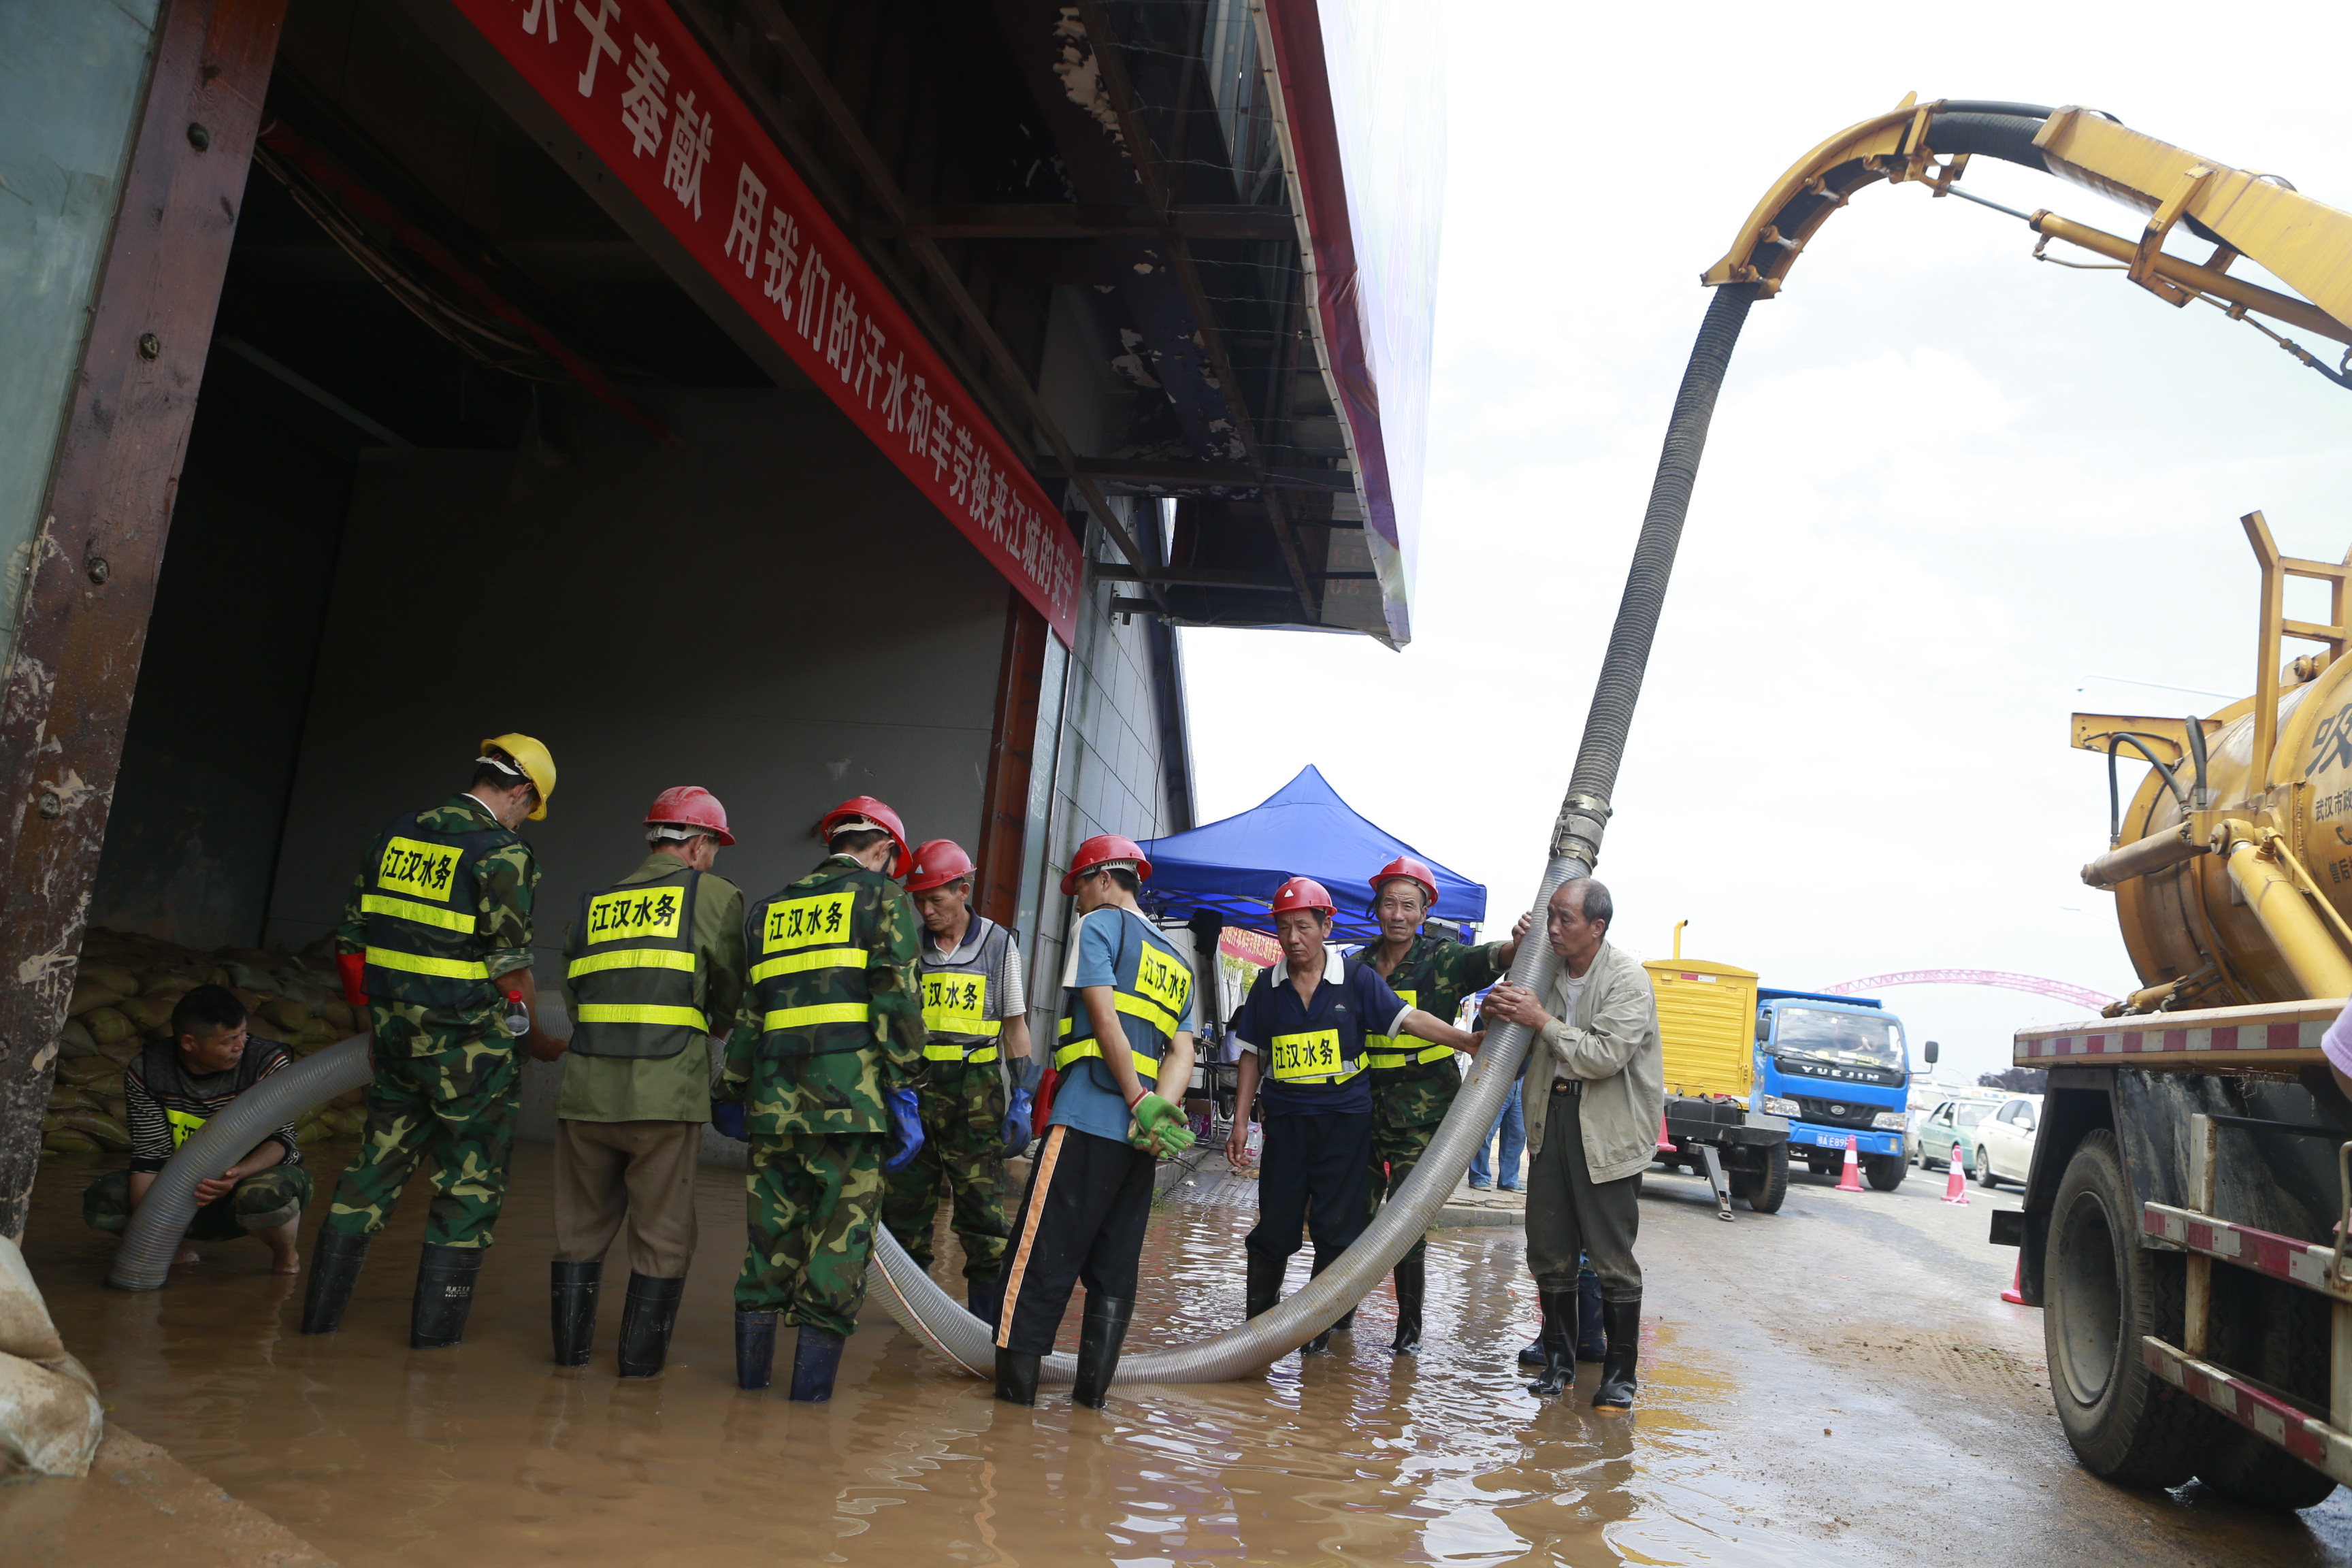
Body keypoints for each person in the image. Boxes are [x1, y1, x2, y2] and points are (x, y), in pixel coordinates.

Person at [303, 734, 567, 1348]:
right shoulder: (504, 854)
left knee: (372, 1170)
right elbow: (510, 973)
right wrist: (532, 1039)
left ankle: (315, 1328)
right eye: (530, 808)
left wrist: (380, 1022)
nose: (526, 820)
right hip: (472, 1054)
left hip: (395, 1043)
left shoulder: (395, 835)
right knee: (469, 1183)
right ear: (520, 792)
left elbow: (351, 946)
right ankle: (432, 1349)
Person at [722, 796, 927, 1402]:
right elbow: (898, 1002)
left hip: (772, 1107)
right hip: (850, 1111)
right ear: (885, 850)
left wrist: (731, 1089)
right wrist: (906, 1091)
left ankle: (748, 1398)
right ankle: (805, 1415)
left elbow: (749, 1013)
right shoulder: (884, 900)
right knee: (837, 1255)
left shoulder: (769, 911)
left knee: (766, 1252)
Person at [1224, 877, 1482, 1354]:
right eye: (1284, 929)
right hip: (1286, 1127)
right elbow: (1251, 1057)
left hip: (1344, 1126)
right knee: (1275, 1229)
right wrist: (1241, 1123)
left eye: (1303, 926)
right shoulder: (1267, 986)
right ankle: (1254, 1336)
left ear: (1326, 926)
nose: (1293, 939)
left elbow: (1408, 1019)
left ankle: (1317, 1333)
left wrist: (1465, 1041)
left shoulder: (1358, 980)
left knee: (1335, 1229)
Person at [550, 786, 747, 1377]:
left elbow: (574, 996)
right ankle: (636, 1384)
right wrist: (714, 1025)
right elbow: (730, 991)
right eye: (714, 848)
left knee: (578, 1234)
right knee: (662, 1238)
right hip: (665, 1096)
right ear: (699, 845)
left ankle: (566, 1366)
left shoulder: (595, 903)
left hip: (585, 1091)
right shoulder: (712, 896)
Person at [994, 834, 1196, 1408]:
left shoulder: (1102, 927)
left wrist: (1135, 1100)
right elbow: (1180, 1051)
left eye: (1079, 888)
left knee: (1036, 1265)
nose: (1077, 902)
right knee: (1113, 1276)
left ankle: (1012, 1420)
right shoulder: (1176, 960)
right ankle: (1090, 1410)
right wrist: (1158, 1118)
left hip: (1087, 1120)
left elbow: (1103, 1018)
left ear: (1105, 880)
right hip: (1140, 1145)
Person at [1483, 877, 1661, 1409]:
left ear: (1598, 927)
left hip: (1606, 1127)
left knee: (1611, 1256)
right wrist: (1511, 973)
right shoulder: (1547, 969)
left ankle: (1620, 1376)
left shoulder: (1628, 980)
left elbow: (1604, 1056)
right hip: (1553, 1115)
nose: (1554, 929)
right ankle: (1558, 1365)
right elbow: (1505, 1022)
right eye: (1549, 918)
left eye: (1566, 919)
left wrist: (1542, 1021)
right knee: (1550, 1248)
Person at [1352, 857, 1518, 1353]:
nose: (1397, 914)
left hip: (1422, 1117)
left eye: (1409, 905)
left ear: (1425, 912)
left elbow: (1499, 957)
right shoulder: (1357, 968)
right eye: (1389, 903)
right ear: (1376, 908)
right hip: (1363, 1110)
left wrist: (1520, 941)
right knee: (1350, 1217)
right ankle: (1336, 1315)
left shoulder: (1444, 960)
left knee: (1407, 1220)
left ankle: (1409, 1331)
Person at [881, 838, 1034, 1330]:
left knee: (983, 1215)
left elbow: (1015, 1024)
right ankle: (908, 1330)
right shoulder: (908, 948)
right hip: (917, 1089)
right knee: (904, 1210)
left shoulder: (996, 943)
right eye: (918, 900)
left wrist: (1023, 1095)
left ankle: (987, 1330)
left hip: (977, 1092)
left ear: (962, 891)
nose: (926, 911)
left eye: (937, 900)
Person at [83, 985, 312, 1273]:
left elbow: (282, 1140)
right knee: (107, 1195)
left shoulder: (264, 1062)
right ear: (190, 1043)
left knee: (263, 1194)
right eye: (229, 1040)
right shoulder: (149, 1070)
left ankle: (286, 1256)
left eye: (243, 1033)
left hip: (251, 1177)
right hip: (185, 1185)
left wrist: (236, 1174)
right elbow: (150, 1157)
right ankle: (177, 1253)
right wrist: (152, 1241)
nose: (241, 1044)